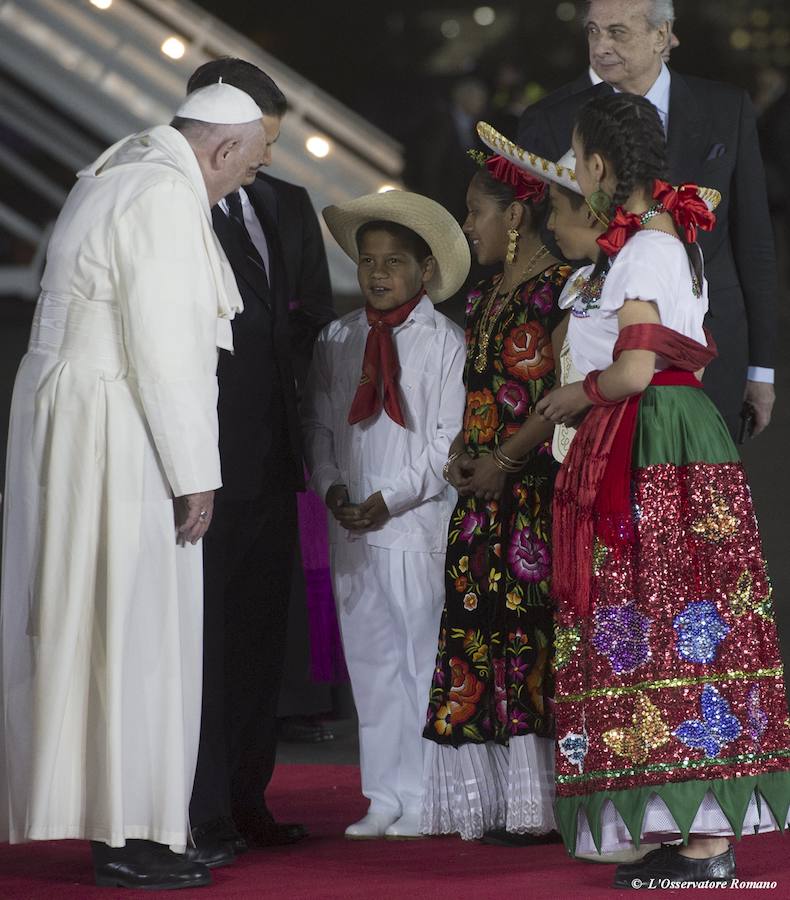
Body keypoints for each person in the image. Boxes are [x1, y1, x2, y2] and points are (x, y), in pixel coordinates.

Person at [0, 83, 266, 890]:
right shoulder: (159, 193)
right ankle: (132, 834)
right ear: (220, 150)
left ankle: (127, 824)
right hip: (117, 421)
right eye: (249, 167)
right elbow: (166, 348)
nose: (246, 182)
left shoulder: (119, 173)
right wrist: (196, 475)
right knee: (139, 623)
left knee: (104, 619)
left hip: (82, 412)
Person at [532, 92, 790, 888]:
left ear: (604, 167)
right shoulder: (673, 238)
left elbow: (637, 369)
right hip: (677, 438)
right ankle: (687, 831)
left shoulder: (647, 246)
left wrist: (575, 395)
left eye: (579, 160)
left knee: (668, 620)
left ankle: (705, 842)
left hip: (653, 444)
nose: (576, 174)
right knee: (680, 624)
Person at [182, 59, 335, 864]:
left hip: (277, 461)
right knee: (199, 646)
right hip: (201, 466)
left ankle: (249, 801)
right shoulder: (176, 205)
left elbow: (308, 322)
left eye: (273, 142)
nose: (267, 159)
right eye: (257, 143)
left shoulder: (286, 204)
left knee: (257, 641)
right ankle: (199, 811)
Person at [517, 0, 777, 439]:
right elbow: (540, 244)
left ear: (662, 35)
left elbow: (753, 241)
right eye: (593, 32)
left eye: (617, 32)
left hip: (712, 352)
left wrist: (761, 370)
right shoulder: (553, 118)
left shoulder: (725, 108)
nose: (601, 47)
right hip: (598, 363)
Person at [302, 190, 469, 838]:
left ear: (424, 271)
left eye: (394, 261)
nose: (377, 274)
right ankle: (384, 794)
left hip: (415, 530)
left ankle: (427, 792)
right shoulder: (338, 339)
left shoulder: (443, 342)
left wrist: (387, 497)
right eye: (368, 260)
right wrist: (332, 488)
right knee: (369, 667)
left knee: (421, 663)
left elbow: (445, 444)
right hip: (352, 532)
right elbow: (319, 424)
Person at [421, 151, 571, 843]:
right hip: (481, 497)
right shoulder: (484, 296)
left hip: (534, 493)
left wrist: (505, 462)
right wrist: (461, 452)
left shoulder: (564, 291)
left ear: (516, 215)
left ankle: (541, 802)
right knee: (479, 633)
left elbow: (558, 400)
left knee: (528, 633)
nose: (467, 225)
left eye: (476, 211)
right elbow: (481, 394)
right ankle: (500, 801)